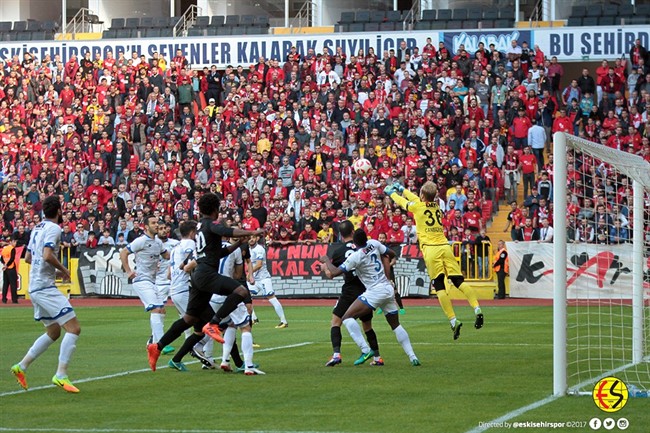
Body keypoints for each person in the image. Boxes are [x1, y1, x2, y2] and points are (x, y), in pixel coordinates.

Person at [146, 193, 264, 371]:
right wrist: (252, 232)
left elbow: (218, 253)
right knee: (241, 292)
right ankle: (214, 323)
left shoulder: (201, 227)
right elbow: (226, 231)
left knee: (189, 318)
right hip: (206, 274)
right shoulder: (210, 224)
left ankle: (157, 346)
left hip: (198, 276)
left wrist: (238, 243)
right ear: (215, 209)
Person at [386, 181, 483, 340]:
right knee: (458, 281)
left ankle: (453, 320)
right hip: (445, 246)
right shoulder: (437, 207)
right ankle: (477, 308)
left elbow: (403, 202)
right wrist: (403, 189)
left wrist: (391, 193)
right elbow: (416, 198)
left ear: (422, 195)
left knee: (439, 286)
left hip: (431, 249)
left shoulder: (418, 207)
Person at [319, 228, 420, 366]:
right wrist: (389, 269)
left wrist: (326, 260)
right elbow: (390, 254)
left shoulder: (356, 256)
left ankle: (366, 350)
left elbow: (335, 272)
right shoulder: (374, 243)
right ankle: (413, 357)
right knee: (395, 325)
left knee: (347, 318)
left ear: (355, 241)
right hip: (387, 288)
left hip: (374, 291)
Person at [10, 196, 80, 393]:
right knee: (73, 328)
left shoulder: (37, 228)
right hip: (44, 288)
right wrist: (64, 270)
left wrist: (53, 271)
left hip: (35, 286)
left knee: (54, 332)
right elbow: (48, 255)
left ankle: (21, 366)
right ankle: (61, 374)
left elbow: (29, 258)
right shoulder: (54, 229)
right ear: (59, 211)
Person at [323, 221, 382, 367]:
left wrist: (324, 267)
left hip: (350, 290)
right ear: (353, 231)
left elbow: (331, 274)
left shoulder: (338, 251)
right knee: (367, 325)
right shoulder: (366, 245)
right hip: (366, 289)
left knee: (336, 321)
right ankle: (377, 357)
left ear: (339, 235)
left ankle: (337, 354)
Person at [120, 215, 173, 353]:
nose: (157, 225)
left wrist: (180, 254)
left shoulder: (158, 243)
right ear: (146, 226)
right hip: (142, 280)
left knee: (161, 310)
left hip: (152, 281)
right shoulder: (141, 241)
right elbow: (123, 252)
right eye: (153, 223)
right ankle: (162, 344)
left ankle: (154, 344)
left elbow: (167, 255)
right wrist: (128, 271)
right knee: (156, 309)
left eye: (157, 222)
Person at [247, 235, 288, 328]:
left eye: (253, 237)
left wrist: (249, 273)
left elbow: (259, 264)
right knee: (245, 297)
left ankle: (283, 321)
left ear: (257, 238)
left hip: (263, 278)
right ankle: (253, 318)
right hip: (254, 279)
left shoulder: (259, 249)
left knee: (271, 298)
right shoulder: (248, 249)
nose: (251, 239)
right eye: (249, 238)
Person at [1, 238, 19, 303]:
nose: (15, 244)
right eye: (14, 242)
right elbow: (12, 258)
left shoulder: (5, 248)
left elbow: (2, 258)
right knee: (13, 284)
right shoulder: (12, 249)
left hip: (5, 269)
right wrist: (7, 265)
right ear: (11, 242)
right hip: (11, 268)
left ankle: (4, 299)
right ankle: (14, 299)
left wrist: (5, 264)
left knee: (5, 284)